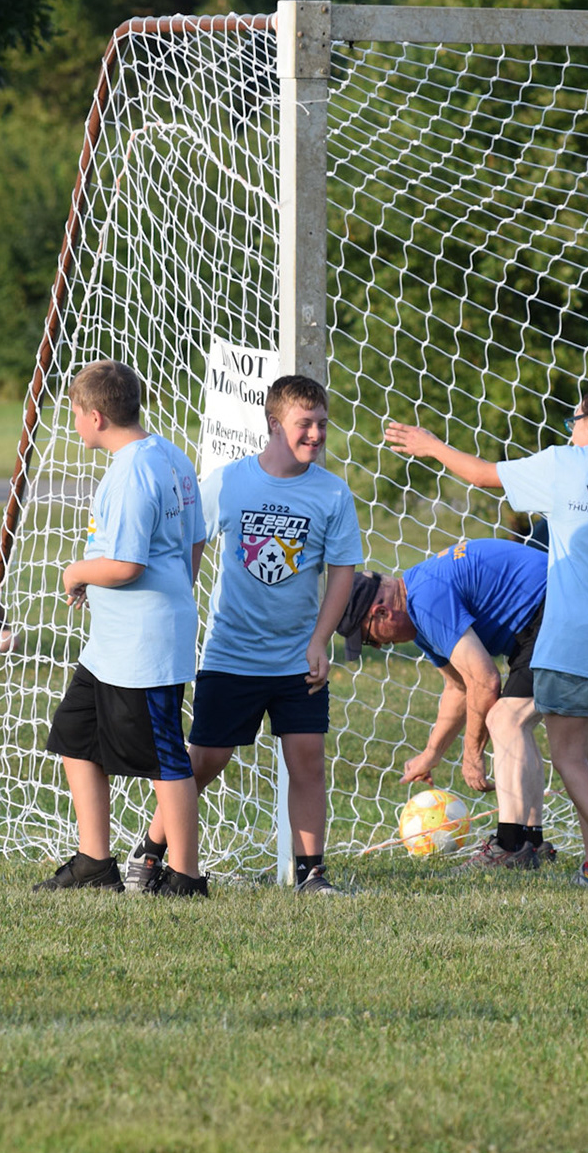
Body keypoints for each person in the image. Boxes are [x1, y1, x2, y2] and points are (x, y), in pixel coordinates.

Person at [385, 386, 588, 888]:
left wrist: (431, 445)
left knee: (568, 759)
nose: (571, 431)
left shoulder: (567, 464)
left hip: (569, 639)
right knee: (584, 762)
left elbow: (482, 475)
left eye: (573, 421)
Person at [123, 375, 361, 895]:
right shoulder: (230, 482)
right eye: (305, 424)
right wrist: (175, 607)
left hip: (298, 659)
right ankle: (152, 848)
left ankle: (311, 874)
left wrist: (320, 640)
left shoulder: (332, 493)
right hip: (230, 655)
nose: (316, 434)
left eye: (322, 424)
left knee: (308, 760)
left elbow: (342, 571)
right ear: (274, 423)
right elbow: (191, 542)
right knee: (206, 761)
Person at [39, 359, 208, 895]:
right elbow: (195, 540)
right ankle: (95, 862)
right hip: (110, 646)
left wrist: (76, 572)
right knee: (75, 737)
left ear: (95, 417)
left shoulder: (133, 472)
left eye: (74, 414)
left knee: (165, 758)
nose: (74, 424)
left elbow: (128, 565)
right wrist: (175, 584)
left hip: (143, 647)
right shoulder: (171, 455)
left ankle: (186, 876)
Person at [338, 538, 555, 870]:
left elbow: (484, 680)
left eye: (368, 638)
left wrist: (472, 754)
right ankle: (531, 842)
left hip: (552, 607)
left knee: (506, 721)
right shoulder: (418, 602)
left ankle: (510, 845)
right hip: (543, 613)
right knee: (513, 723)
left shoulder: (425, 600)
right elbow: (458, 687)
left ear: (382, 612)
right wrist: (432, 753)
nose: (378, 647)